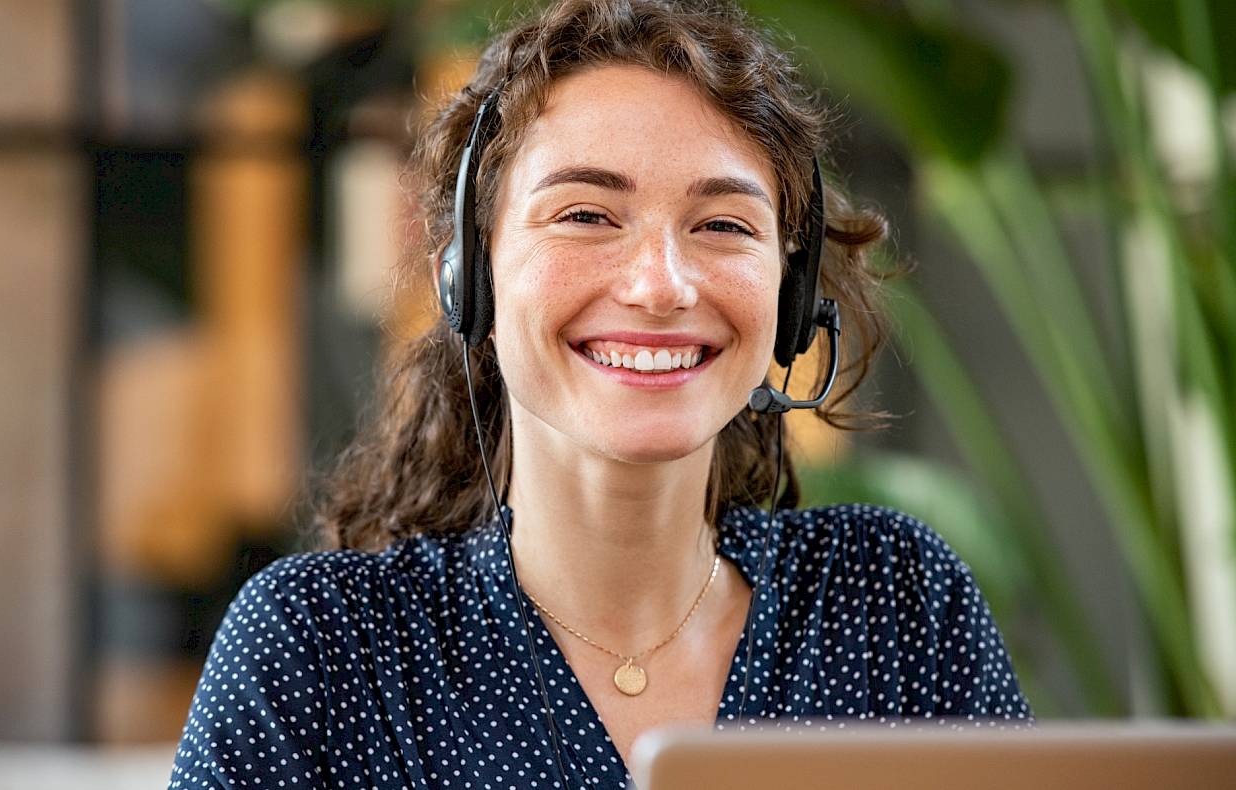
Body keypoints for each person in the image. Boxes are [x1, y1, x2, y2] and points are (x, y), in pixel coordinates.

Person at [168, 0, 1033, 787]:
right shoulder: (323, 651)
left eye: (722, 225)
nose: (661, 286)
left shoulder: (892, 606)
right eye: (586, 214)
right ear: (470, 279)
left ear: (792, 298)